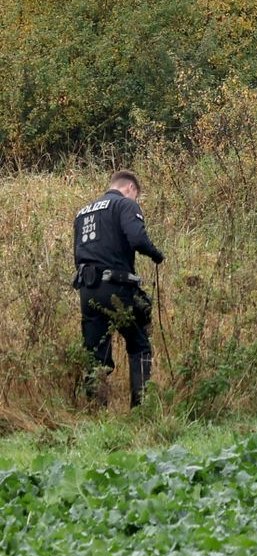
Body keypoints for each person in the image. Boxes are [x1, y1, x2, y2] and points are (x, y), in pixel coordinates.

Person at [73, 169, 164, 408]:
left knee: (96, 354)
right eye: (136, 197)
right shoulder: (125, 205)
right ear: (131, 189)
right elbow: (137, 239)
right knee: (139, 345)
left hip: (88, 290)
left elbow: (78, 254)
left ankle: (95, 411)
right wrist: (156, 255)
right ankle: (140, 408)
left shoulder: (82, 213)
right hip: (117, 288)